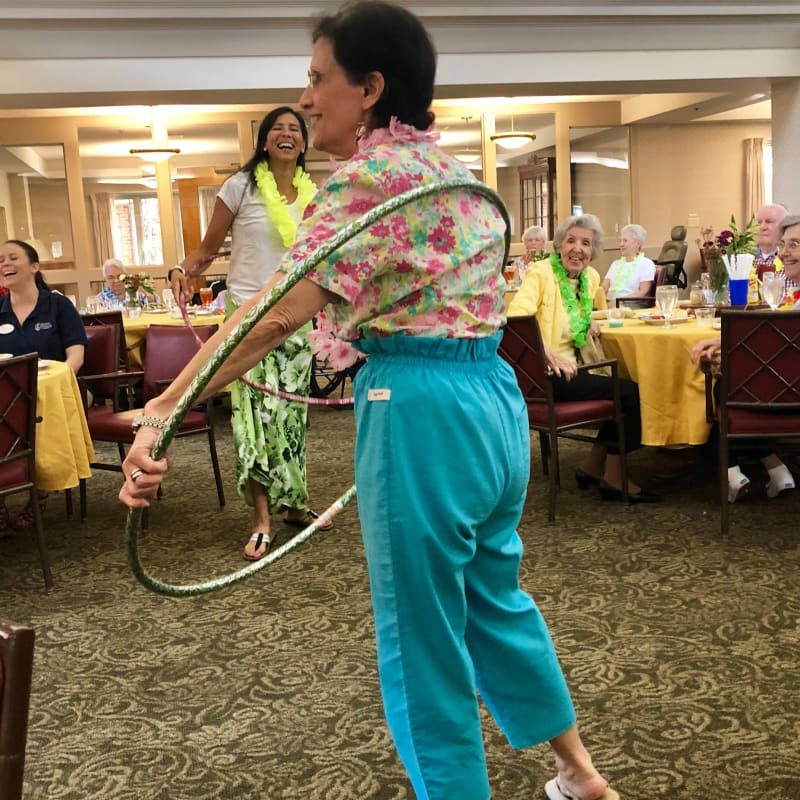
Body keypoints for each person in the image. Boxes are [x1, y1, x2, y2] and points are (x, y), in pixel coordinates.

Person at [119, 3, 619, 799]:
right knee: (495, 597)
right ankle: (579, 772)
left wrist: (161, 412)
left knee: (421, 639)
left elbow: (274, 315)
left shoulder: (364, 186)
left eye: (319, 78)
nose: (307, 97)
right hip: (495, 402)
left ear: (371, 87)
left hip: (419, 407)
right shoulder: (455, 175)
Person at [168, 106, 332, 562]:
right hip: (246, 316)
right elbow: (205, 250)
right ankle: (261, 518)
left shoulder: (312, 195)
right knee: (253, 418)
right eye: (277, 129)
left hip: (296, 319)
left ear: (303, 144)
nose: (286, 134)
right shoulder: (239, 186)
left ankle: (295, 504)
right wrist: (182, 268)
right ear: (264, 141)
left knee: (291, 418)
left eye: (294, 130)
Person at [509, 214, 659, 503]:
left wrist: (589, 319)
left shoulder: (590, 278)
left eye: (586, 243)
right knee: (629, 393)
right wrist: (546, 352)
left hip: (578, 368)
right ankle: (614, 478)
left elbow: (597, 313)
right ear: (559, 246)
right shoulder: (541, 273)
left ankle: (591, 468)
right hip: (546, 375)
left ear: (593, 251)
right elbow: (515, 318)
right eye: (571, 241)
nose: (578, 249)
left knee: (623, 385)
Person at [691, 214, 799, 502]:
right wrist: (719, 341)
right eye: (784, 244)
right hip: (787, 389)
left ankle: (731, 470)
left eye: (795, 245)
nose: (785, 252)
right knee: (734, 388)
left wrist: (720, 348)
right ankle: (772, 469)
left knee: (725, 390)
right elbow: (774, 339)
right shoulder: (793, 296)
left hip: (787, 396)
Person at [0, 239, 88, 530]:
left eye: (13, 257)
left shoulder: (58, 305)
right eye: (1, 260)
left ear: (34, 267)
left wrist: (58, 379)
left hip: (57, 392)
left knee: (37, 413)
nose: (5, 264)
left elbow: (76, 355)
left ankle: (40, 490)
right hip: (8, 396)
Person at [601, 223, 655, 302]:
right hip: (608, 304)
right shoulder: (615, 264)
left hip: (630, 305)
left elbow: (643, 292)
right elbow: (604, 287)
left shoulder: (646, 263)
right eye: (620, 241)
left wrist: (617, 302)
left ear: (638, 243)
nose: (621, 244)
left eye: (625, 240)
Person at [753, 203, 788, 279]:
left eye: (769, 221)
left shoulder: (793, 262)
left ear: (785, 227)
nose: (762, 227)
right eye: (759, 222)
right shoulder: (743, 262)